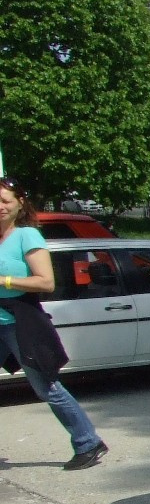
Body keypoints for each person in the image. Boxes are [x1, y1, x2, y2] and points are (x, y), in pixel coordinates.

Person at [0, 176, 108, 470]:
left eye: (5, 201)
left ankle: (88, 441)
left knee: (46, 387)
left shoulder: (27, 237)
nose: (0, 207)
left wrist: (4, 280)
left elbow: (46, 282)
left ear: (19, 203)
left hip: (18, 320)